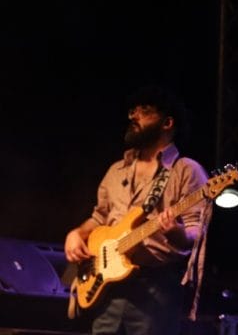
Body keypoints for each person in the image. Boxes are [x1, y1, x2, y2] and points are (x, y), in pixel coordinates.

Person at [63, 85, 209, 335]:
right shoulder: (117, 169)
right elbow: (99, 218)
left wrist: (176, 232)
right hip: (107, 291)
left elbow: (196, 235)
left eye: (144, 111)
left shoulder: (186, 170)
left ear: (167, 123)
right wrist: (76, 233)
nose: (133, 116)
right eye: (132, 110)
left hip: (155, 292)